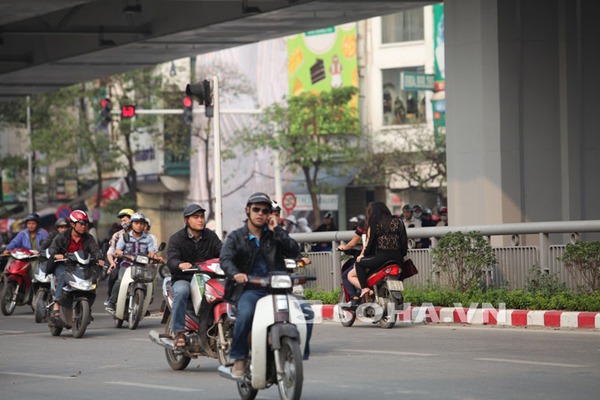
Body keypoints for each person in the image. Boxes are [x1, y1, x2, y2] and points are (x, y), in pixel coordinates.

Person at [220, 192, 312, 378]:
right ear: (248, 210)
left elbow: (294, 250)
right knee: (245, 314)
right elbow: (226, 258)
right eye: (256, 209)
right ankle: (239, 357)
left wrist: (277, 231)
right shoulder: (236, 237)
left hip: (277, 290)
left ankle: (295, 355)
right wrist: (236, 273)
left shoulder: (275, 234)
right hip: (250, 290)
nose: (260, 213)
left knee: (307, 312)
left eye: (265, 210)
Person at [166, 204, 222, 347]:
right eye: (196, 217)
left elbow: (223, 252)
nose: (200, 220)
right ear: (186, 220)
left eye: (202, 217)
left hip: (208, 277)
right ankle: (179, 331)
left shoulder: (211, 236)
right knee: (182, 292)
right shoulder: (176, 239)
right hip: (184, 278)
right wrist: (180, 264)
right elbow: (172, 260)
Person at [47, 210, 105, 317]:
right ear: (73, 224)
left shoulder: (88, 238)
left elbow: (95, 249)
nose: (84, 226)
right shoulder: (63, 236)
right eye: (81, 224)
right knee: (63, 275)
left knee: (92, 281)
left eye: (85, 224)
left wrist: (99, 258)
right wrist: (56, 254)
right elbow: (52, 248)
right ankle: (56, 303)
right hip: (63, 264)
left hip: (81, 266)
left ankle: (87, 308)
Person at [106, 213, 162, 312]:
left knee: (148, 283)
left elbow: (151, 252)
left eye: (141, 223)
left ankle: (144, 305)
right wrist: (120, 252)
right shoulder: (125, 236)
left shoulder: (148, 238)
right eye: (136, 223)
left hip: (143, 266)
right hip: (127, 264)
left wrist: (155, 257)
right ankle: (112, 301)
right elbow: (117, 250)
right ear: (131, 224)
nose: (139, 226)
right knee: (120, 281)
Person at [352, 202, 408, 301]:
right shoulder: (399, 222)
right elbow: (404, 243)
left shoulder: (375, 223)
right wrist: (402, 255)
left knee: (359, 263)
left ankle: (364, 288)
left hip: (382, 258)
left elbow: (371, 243)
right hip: (398, 258)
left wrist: (363, 256)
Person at [104, 208, 135, 307]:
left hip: (138, 262)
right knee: (114, 274)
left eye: (125, 220)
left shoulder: (142, 235)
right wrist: (112, 262)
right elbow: (111, 252)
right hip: (122, 262)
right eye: (122, 221)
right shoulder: (117, 235)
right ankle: (111, 298)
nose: (123, 223)